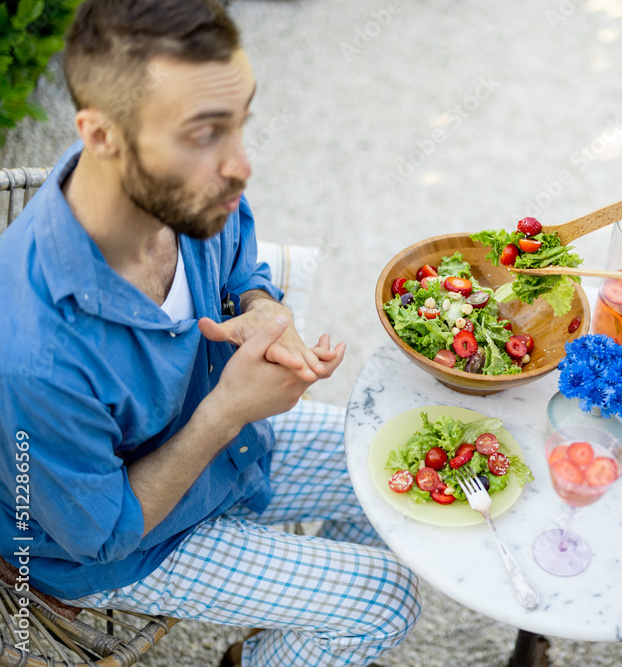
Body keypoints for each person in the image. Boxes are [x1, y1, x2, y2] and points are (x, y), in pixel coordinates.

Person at [0, 1, 420, 665]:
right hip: (129, 543)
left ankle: (293, 633)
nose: (240, 166)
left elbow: (241, 261)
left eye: (239, 125)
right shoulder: (30, 351)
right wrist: (227, 410)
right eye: (203, 134)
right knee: (386, 598)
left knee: (399, 461)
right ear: (100, 134)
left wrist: (259, 304)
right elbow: (102, 533)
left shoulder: (185, 195)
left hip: (229, 453)